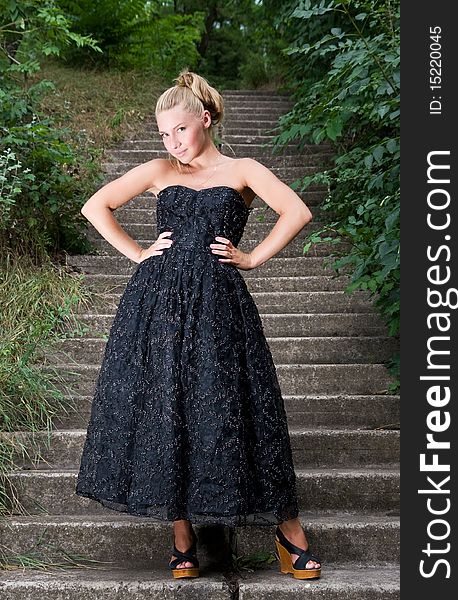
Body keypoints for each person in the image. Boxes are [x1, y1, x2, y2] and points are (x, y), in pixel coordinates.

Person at [75, 69, 321, 580]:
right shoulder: (159, 171)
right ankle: (181, 532)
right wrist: (139, 252)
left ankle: (288, 530)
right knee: (167, 407)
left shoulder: (243, 169)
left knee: (244, 406)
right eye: (163, 134)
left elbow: (296, 211)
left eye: (180, 131)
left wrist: (252, 258)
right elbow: (94, 206)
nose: (172, 143)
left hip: (220, 305)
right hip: (157, 305)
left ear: (204, 120)